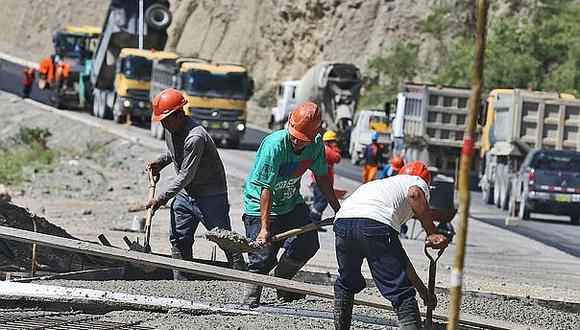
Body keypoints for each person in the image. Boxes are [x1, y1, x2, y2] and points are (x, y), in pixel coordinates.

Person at [242, 101, 340, 307]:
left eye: (303, 139)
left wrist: (339, 210)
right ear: (289, 123)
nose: (297, 142)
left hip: (291, 202)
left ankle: (282, 279)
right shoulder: (275, 145)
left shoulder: (315, 145)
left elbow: (322, 178)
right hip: (259, 203)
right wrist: (264, 228)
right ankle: (249, 300)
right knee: (262, 257)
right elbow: (265, 188)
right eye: (294, 136)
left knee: (308, 243)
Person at [332, 161, 450, 330]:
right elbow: (415, 194)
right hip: (374, 224)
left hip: (344, 222)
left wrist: (424, 292)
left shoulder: (382, 185)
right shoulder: (416, 182)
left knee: (347, 282)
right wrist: (432, 232)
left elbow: (399, 260)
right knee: (401, 292)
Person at [145, 88, 246, 280]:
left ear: (179, 115)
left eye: (166, 120)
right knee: (179, 238)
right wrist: (160, 162)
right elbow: (175, 152)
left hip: (210, 195)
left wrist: (160, 199)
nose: (164, 125)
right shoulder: (170, 128)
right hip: (186, 194)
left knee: (225, 240)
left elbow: (185, 175)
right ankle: (182, 284)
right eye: (162, 121)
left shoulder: (195, 137)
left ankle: (241, 280)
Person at [309, 130, 341, 225]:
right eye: (333, 141)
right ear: (328, 141)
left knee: (317, 201)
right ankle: (312, 218)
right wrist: (335, 148)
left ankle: (316, 222)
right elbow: (337, 158)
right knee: (322, 202)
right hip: (322, 181)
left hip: (318, 180)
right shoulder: (327, 149)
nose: (335, 143)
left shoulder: (323, 148)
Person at [380, 156, 410, 238]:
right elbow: (381, 179)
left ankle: (402, 231)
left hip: (398, 193)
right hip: (387, 193)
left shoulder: (404, 171)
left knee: (401, 213)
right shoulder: (388, 169)